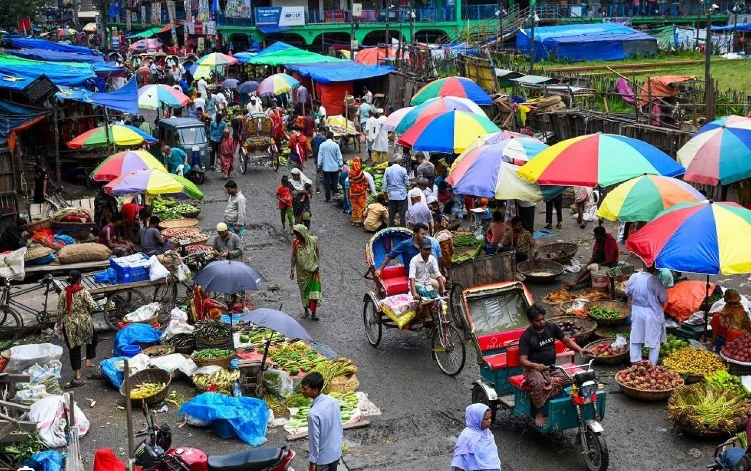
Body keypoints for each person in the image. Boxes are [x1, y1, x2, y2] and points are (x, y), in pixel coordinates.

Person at [520, 305, 590, 427]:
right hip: (532, 369)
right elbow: (523, 360)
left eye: (543, 319)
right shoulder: (526, 336)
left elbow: (566, 340)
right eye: (538, 320)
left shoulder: (551, 327)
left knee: (569, 379)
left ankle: (553, 397)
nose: (542, 322)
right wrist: (535, 366)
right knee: (539, 384)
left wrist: (580, 350)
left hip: (550, 367)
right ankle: (539, 412)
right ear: (531, 321)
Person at [56, 270, 98, 388]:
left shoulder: (64, 293)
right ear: (79, 280)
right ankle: (89, 359)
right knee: (93, 339)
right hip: (85, 323)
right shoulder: (83, 292)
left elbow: (59, 312)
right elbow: (93, 306)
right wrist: (86, 312)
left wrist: (59, 325)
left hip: (70, 325)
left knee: (74, 349)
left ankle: (78, 375)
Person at [626, 264, 669, 365]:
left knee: (636, 337)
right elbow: (664, 298)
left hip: (637, 310)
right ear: (654, 267)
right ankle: (652, 365)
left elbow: (628, 292)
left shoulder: (633, 276)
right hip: (652, 312)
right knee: (654, 340)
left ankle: (635, 362)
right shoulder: (655, 280)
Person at [300, 372, 343, 471]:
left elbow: (314, 440)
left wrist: (312, 462)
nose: (302, 391)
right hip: (335, 452)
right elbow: (339, 426)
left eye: (305, 389)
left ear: (315, 390)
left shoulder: (313, 413)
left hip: (323, 458)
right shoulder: (333, 401)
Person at [375, 223, 440, 276]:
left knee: (443, 279)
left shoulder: (426, 242)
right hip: (413, 274)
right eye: (422, 234)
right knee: (436, 284)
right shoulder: (405, 244)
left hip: (425, 271)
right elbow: (390, 255)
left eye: (426, 234)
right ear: (415, 233)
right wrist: (380, 269)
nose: (424, 236)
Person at [451, 403, 502, 471]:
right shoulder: (466, 438)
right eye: (486, 419)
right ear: (476, 419)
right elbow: (459, 463)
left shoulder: (487, 433)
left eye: (490, 418)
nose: (490, 421)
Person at [291, 224, 322, 320]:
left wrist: (316, 263)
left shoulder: (313, 240)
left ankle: (314, 312)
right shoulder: (295, 243)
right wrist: (292, 269)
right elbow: (294, 256)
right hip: (301, 272)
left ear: (303, 233)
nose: (297, 236)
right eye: (296, 234)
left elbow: (317, 251)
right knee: (303, 292)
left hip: (313, 271)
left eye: (298, 234)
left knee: (314, 292)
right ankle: (306, 311)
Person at [409, 237, 446, 301]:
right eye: (426, 249)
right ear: (420, 248)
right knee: (425, 294)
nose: (428, 252)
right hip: (417, 284)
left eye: (429, 249)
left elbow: (437, 274)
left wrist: (443, 289)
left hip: (427, 284)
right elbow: (412, 277)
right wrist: (414, 293)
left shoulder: (432, 259)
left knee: (434, 297)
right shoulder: (414, 260)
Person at [382, 157, 409, 227]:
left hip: (391, 196)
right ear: (400, 162)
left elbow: (384, 183)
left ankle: (390, 229)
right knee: (402, 215)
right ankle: (403, 230)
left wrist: (385, 193)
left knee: (391, 215)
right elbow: (407, 183)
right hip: (402, 195)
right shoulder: (403, 170)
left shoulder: (387, 169)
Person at [317, 131, 343, 203]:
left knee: (327, 183)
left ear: (326, 136)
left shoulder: (322, 145)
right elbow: (339, 157)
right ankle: (335, 196)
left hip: (326, 168)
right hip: (335, 168)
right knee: (335, 182)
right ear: (332, 137)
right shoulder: (336, 145)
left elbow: (320, 156)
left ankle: (328, 198)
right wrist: (340, 165)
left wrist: (319, 165)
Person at [348, 158, 370, 226]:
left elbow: (350, 181)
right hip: (360, 191)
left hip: (353, 191)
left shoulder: (350, 172)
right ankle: (359, 221)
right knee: (361, 205)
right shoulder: (360, 172)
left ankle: (354, 221)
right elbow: (364, 181)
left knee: (355, 206)